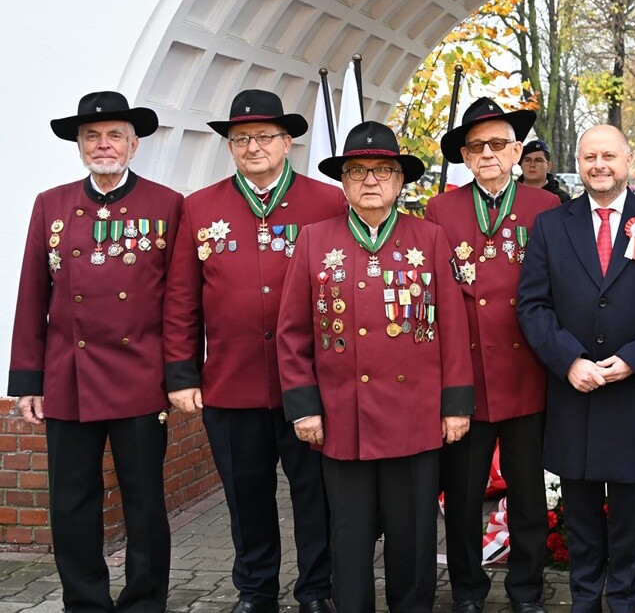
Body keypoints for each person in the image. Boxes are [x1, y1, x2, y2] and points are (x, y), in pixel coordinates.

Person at [276, 121, 474, 613]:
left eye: (383, 170)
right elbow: (293, 333)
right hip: (344, 420)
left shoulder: (427, 238)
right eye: (358, 170)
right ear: (343, 180)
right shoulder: (314, 240)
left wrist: (456, 406)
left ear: (399, 180)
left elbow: (451, 327)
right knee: (348, 537)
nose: (370, 180)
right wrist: (304, 408)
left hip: (415, 417)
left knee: (413, 538)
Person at [164, 90, 344, 613]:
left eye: (265, 136)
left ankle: (316, 588)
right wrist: (181, 374)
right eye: (240, 138)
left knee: (316, 495)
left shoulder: (326, 202)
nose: (252, 146)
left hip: (310, 387)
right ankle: (256, 589)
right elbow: (181, 298)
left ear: (288, 142)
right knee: (246, 496)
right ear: (229, 147)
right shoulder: (199, 208)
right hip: (231, 382)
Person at [9, 91, 183, 613]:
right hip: (69, 376)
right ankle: (84, 602)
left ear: (133, 145)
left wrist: (178, 374)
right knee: (72, 502)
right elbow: (31, 294)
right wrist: (26, 381)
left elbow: (179, 302)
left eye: (114, 136)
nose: (102, 145)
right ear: (79, 145)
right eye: (92, 136)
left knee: (145, 503)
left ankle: (144, 602)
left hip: (140, 375)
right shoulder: (52, 204)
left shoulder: (166, 204)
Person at [517, 125, 635, 613]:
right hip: (574, 393)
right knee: (578, 515)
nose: (599, 165)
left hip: (632, 396)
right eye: (589, 156)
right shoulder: (552, 226)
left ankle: (623, 600)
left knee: (629, 516)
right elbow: (532, 305)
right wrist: (568, 359)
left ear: (628, 159)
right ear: (578, 162)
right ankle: (583, 600)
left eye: (609, 156)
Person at [426, 98, 560, 613]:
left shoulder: (544, 208)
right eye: (477, 145)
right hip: (469, 379)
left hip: (528, 375)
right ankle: (467, 590)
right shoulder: (441, 209)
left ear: (516, 151)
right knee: (461, 499)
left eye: (499, 144)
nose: (488, 153)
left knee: (528, 497)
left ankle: (526, 591)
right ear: (464, 154)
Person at [518, 137, 572, 203]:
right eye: (527, 160)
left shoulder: (561, 198)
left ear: (548, 166)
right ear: (521, 164)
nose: (532, 165)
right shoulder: (510, 194)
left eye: (538, 160)